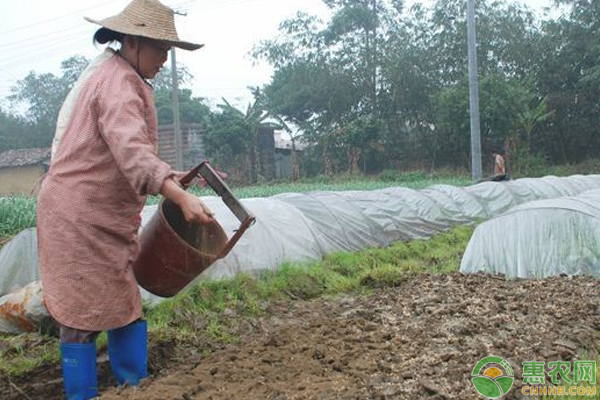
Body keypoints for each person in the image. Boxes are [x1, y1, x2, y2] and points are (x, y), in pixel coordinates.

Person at [36, 0, 213, 398]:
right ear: (132, 41)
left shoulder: (121, 76)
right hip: (78, 218)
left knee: (124, 303)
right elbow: (133, 152)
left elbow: (124, 155)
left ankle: (133, 388)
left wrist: (172, 182)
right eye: (160, 50)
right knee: (81, 315)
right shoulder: (117, 83)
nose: (165, 60)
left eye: (169, 51)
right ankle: (83, 394)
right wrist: (176, 194)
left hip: (105, 218)